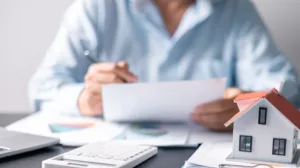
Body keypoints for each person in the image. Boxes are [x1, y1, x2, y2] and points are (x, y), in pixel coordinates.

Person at [28, 0, 299, 132]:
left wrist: (246, 107)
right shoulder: (96, 8)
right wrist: (85, 99)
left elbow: (287, 88)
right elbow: (43, 88)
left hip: (204, 163)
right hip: (108, 159)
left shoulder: (236, 10)